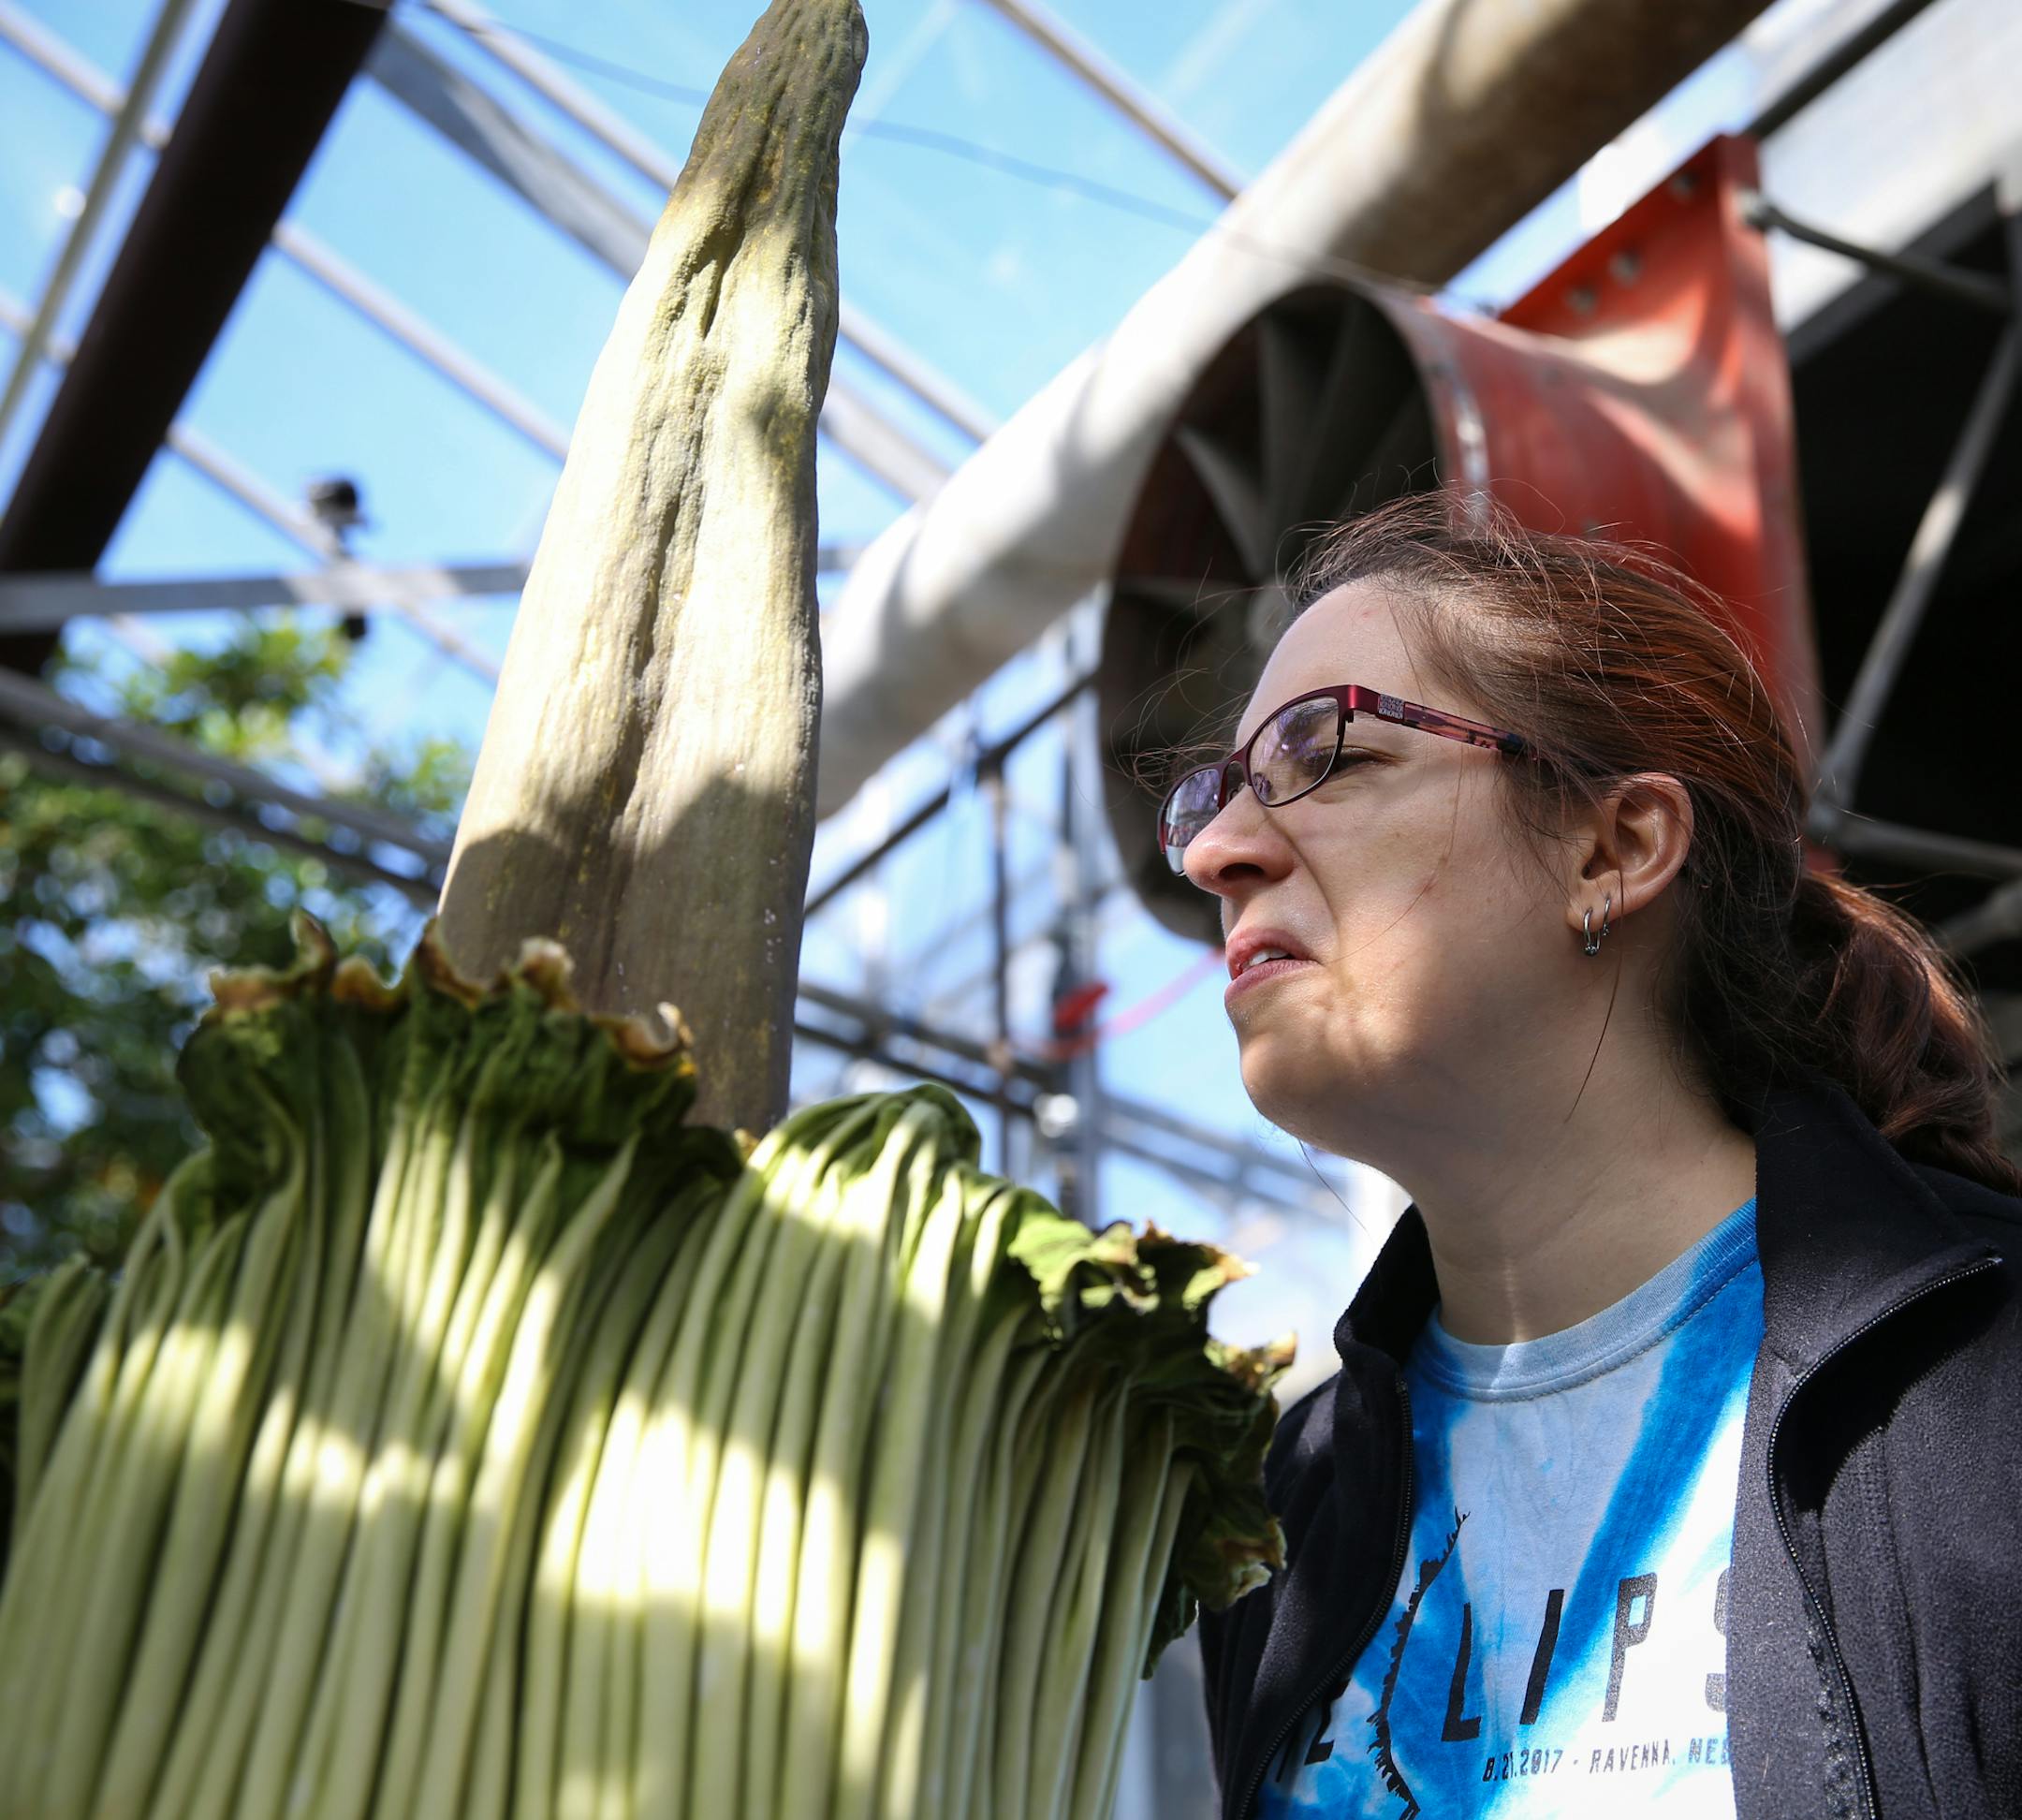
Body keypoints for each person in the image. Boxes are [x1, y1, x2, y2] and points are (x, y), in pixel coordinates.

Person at [1166, 495, 2022, 1820]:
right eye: (1213, 796)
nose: (1219, 852)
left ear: (1615, 849)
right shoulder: (1290, 1510)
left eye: (1328, 754)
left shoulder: (1976, 1384)